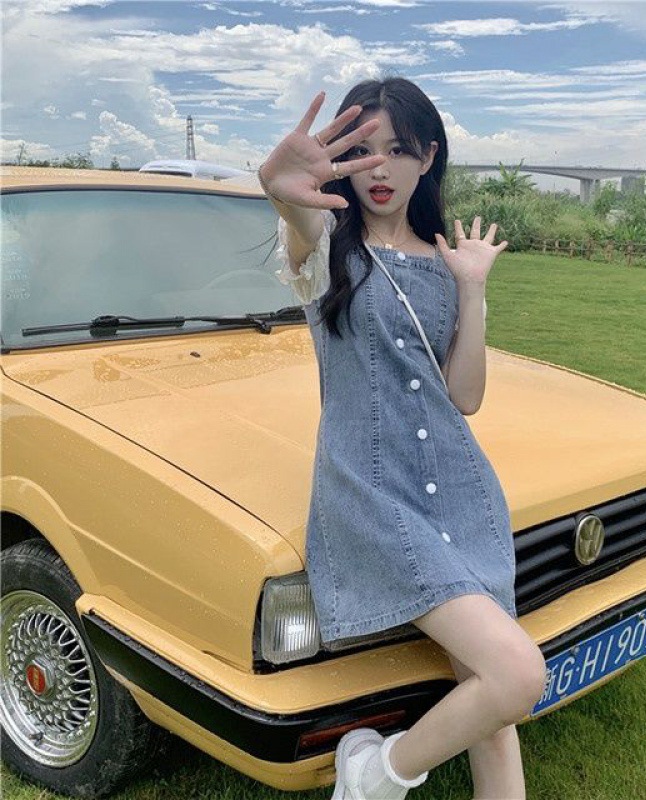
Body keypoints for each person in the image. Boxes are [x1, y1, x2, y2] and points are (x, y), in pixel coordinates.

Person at [258, 76, 546, 800]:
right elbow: (298, 221)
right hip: (373, 496)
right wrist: (280, 190)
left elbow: (465, 397)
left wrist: (473, 288)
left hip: (462, 496)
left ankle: (381, 775)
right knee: (517, 675)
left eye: (400, 149)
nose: (379, 168)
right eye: (364, 150)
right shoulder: (329, 246)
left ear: (429, 158)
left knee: (492, 708)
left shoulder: (448, 264)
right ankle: (376, 776)